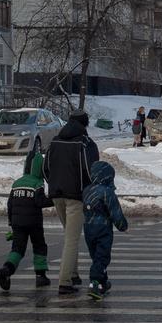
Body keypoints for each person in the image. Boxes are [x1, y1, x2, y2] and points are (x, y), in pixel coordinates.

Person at [42, 111, 99, 295]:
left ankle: (73, 274)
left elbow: (46, 168)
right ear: (85, 124)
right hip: (76, 195)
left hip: (57, 194)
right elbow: (92, 172)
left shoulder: (55, 142)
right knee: (72, 239)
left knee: (69, 236)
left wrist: (53, 184)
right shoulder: (85, 144)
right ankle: (65, 281)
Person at [0, 151, 52, 291]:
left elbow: (10, 205)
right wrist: (54, 199)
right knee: (39, 246)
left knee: (18, 249)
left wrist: (11, 223)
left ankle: (7, 270)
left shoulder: (17, 183)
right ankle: (41, 276)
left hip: (17, 223)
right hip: (34, 223)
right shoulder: (37, 183)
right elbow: (40, 202)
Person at [81, 160, 128, 300]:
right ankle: (94, 283)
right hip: (103, 229)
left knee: (96, 256)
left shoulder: (86, 190)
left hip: (88, 228)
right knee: (102, 257)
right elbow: (115, 212)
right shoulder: (107, 192)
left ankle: (102, 282)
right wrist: (122, 226)